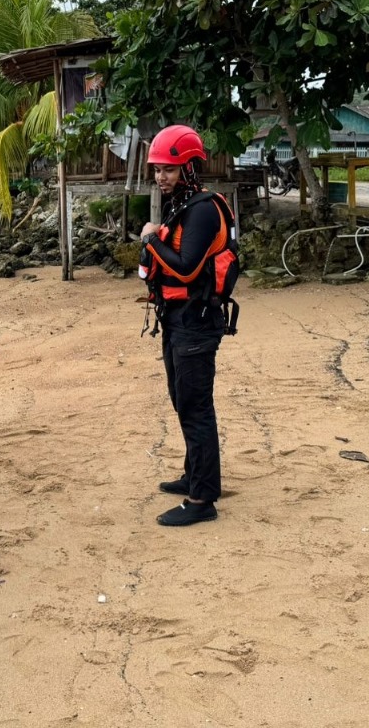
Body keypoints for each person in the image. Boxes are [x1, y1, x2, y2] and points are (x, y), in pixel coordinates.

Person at [139, 125, 239, 527]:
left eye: (170, 169)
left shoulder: (201, 209)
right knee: (183, 400)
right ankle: (193, 475)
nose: (162, 177)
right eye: (158, 170)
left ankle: (202, 499)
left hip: (197, 322)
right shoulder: (181, 205)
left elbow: (187, 267)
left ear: (190, 167)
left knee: (196, 407)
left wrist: (149, 240)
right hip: (178, 318)